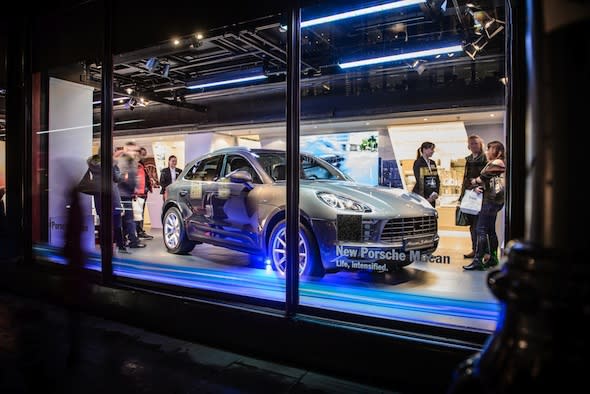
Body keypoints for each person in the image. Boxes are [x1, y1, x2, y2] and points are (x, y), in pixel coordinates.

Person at [463, 140, 506, 271]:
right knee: (490, 230)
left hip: (490, 201)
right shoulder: (498, 163)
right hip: (494, 201)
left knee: (480, 230)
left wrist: (475, 181)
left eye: (490, 149)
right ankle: (492, 258)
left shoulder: (497, 163)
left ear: (497, 151)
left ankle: (478, 261)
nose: (487, 152)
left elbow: (482, 177)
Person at [85, 153, 129, 254]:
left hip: (99, 197)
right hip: (112, 196)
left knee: (103, 223)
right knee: (117, 223)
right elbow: (117, 178)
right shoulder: (111, 165)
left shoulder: (92, 166)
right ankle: (120, 246)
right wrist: (124, 175)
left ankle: (104, 246)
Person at [459, 135, 488, 259]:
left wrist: (477, 185)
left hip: (481, 196)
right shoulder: (469, 159)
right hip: (470, 195)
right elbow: (466, 178)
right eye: (471, 144)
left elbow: (487, 177)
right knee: (472, 226)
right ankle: (475, 250)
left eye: (476, 143)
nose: (473, 146)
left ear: (480, 144)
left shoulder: (484, 158)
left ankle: (482, 252)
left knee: (480, 226)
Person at [115, 142, 146, 249]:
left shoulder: (130, 161)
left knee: (126, 219)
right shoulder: (124, 160)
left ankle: (125, 240)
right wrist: (132, 186)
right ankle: (133, 241)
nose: (135, 152)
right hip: (123, 194)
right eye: (133, 150)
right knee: (129, 219)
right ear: (127, 150)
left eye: (136, 150)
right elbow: (122, 178)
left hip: (126, 193)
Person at [412, 141, 440, 207]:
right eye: (431, 149)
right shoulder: (418, 162)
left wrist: (435, 193)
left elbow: (436, 179)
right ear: (424, 150)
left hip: (432, 196)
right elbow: (420, 180)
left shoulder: (432, 163)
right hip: (422, 195)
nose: (433, 151)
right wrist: (430, 194)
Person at [134, 147, 154, 240]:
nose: (144, 156)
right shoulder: (136, 165)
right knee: (138, 213)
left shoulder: (142, 165)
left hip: (143, 192)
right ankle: (138, 231)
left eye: (145, 154)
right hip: (138, 193)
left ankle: (139, 231)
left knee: (140, 212)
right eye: (143, 154)